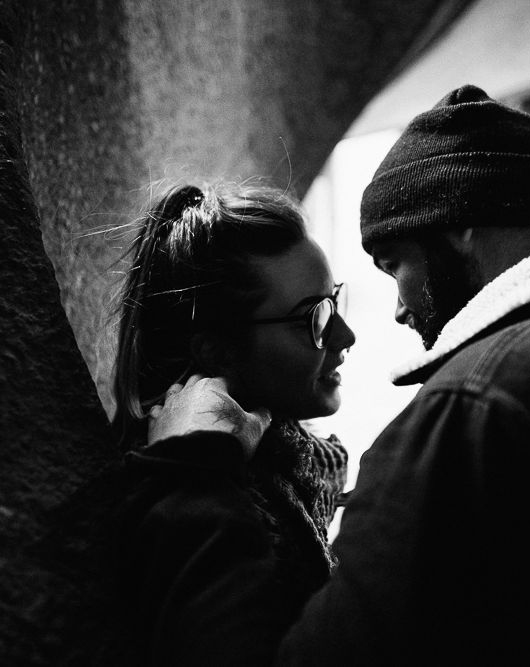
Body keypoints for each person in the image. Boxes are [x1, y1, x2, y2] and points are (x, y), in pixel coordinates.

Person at [155, 86, 530, 665]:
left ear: (456, 227)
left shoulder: (473, 407)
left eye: (394, 264)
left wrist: (188, 486)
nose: (400, 309)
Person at [111, 182, 355, 666]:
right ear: (216, 350)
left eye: (334, 301)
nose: (346, 336)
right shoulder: (183, 493)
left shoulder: (297, 472)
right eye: (314, 318)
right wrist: (195, 473)